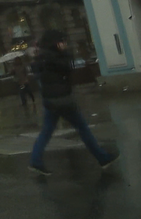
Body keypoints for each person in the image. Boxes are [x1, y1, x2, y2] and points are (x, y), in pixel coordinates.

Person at [29, 30, 118, 175]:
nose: (65, 44)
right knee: (82, 128)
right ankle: (102, 158)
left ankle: (35, 160)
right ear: (55, 43)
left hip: (50, 100)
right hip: (63, 100)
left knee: (46, 131)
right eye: (62, 41)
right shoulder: (57, 58)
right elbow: (67, 68)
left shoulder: (42, 58)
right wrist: (64, 53)